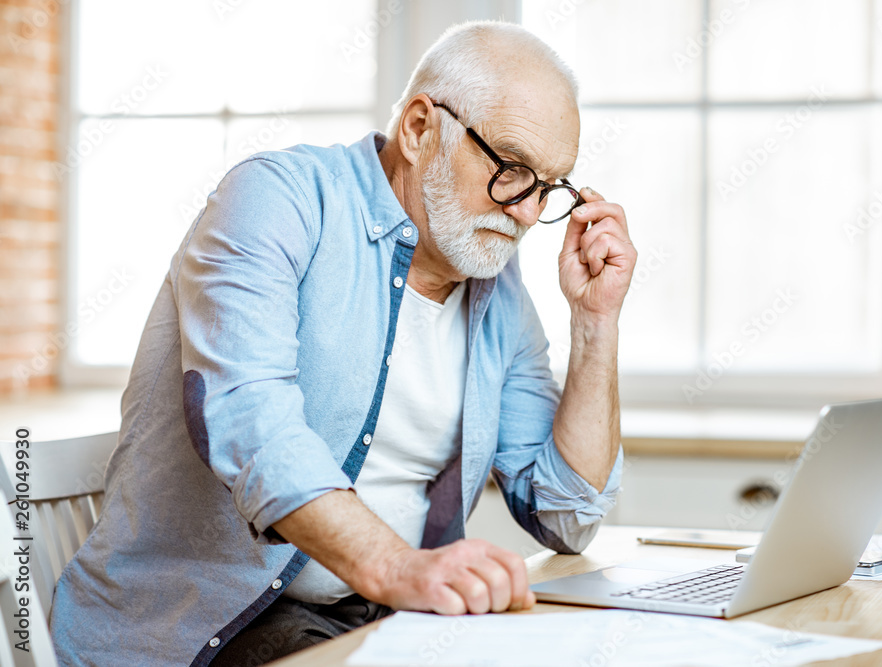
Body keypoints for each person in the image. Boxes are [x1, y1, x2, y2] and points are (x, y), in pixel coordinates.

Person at [48, 19, 637, 667]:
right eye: (512, 168)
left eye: (549, 185)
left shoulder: (497, 288)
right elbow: (255, 424)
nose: (527, 212)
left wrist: (594, 322)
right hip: (203, 627)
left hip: (385, 618)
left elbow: (566, 516)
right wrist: (399, 568)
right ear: (419, 128)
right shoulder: (277, 199)